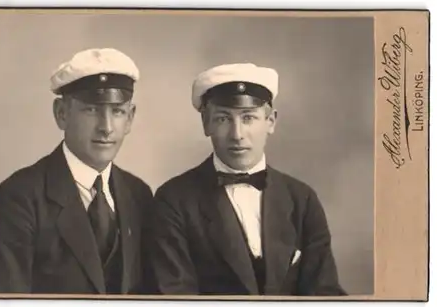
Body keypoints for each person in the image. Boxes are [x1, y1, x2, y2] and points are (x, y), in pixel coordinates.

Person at [147, 63, 347, 296]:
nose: (237, 134)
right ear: (206, 123)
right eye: (223, 119)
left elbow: (325, 293)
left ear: (270, 121)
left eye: (249, 118)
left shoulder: (302, 199)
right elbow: (175, 296)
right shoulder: (174, 201)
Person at [0, 48, 153, 294]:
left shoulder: (140, 196)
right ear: (61, 114)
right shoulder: (17, 199)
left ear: (130, 118)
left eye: (117, 111)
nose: (106, 128)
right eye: (91, 110)